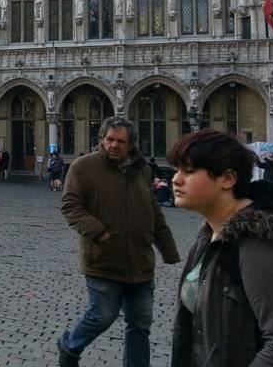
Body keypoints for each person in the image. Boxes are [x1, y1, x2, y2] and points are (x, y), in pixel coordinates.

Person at [58, 116, 180, 367]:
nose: (113, 145)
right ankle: (70, 345)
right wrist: (98, 233)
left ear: (131, 145)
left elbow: (153, 210)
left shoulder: (143, 170)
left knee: (141, 325)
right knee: (102, 316)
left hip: (140, 260)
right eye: (109, 140)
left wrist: (168, 250)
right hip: (104, 258)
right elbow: (70, 206)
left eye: (120, 141)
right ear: (101, 140)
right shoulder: (82, 167)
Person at [168, 129, 273, 366]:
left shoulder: (260, 242)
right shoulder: (209, 233)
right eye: (176, 169)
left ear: (227, 179)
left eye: (189, 171)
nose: (176, 179)